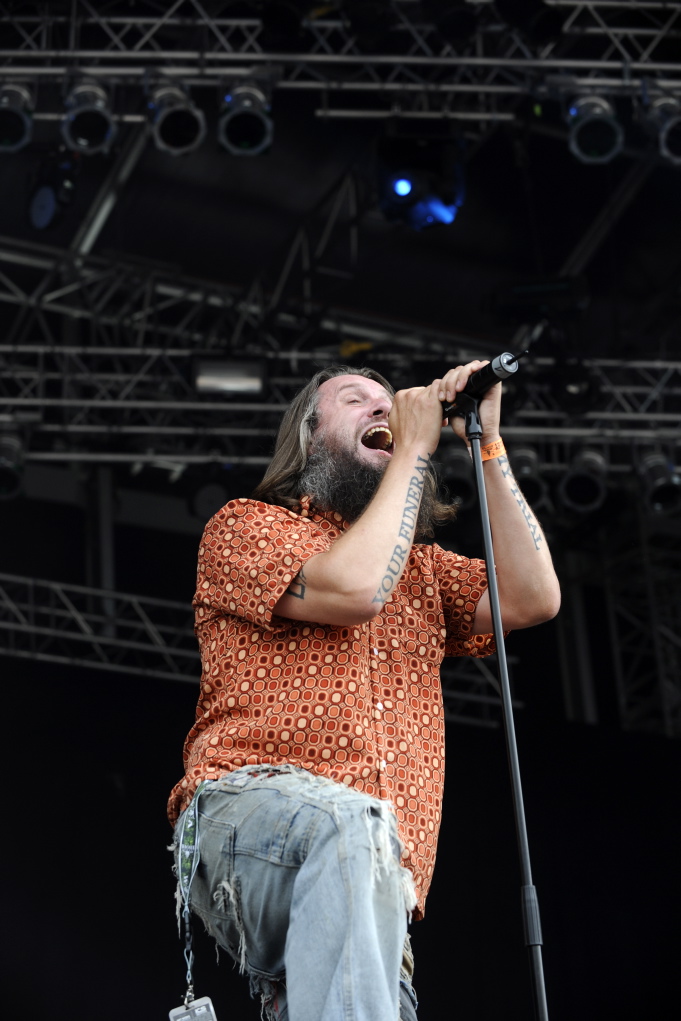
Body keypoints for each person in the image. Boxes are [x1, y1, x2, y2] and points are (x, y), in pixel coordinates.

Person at [168, 361, 560, 1021]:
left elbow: (532, 596)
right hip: (246, 815)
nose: (383, 410)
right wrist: (409, 444)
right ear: (309, 434)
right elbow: (352, 591)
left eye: (391, 403)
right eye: (357, 400)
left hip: (372, 886)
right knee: (352, 822)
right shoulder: (245, 528)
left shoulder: (423, 572)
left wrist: (484, 440)